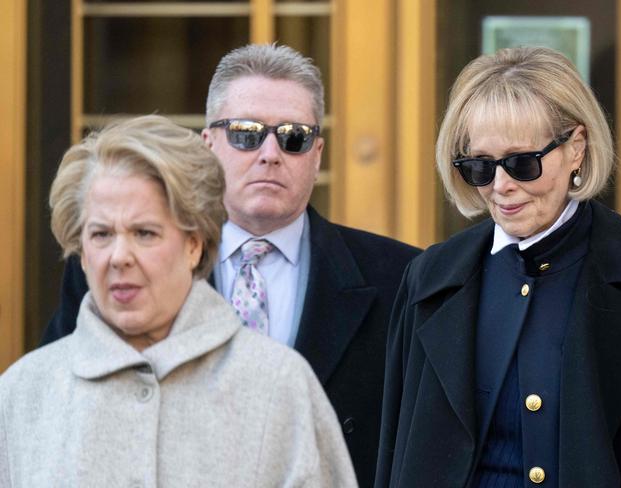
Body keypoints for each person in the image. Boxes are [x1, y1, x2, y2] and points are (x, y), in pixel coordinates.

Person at [40, 44, 420, 487]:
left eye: (293, 137)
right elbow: (61, 408)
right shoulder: (125, 269)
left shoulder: (400, 278)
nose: (270, 153)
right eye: (246, 133)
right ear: (208, 144)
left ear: (317, 154)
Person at [0, 115, 357, 487]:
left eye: (145, 233)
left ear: (194, 244)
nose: (119, 256)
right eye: (101, 234)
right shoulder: (23, 394)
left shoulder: (278, 385)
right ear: (82, 252)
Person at [374, 47, 621, 488]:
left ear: (576, 148)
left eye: (523, 163)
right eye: (481, 166)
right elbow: (397, 452)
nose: (501, 187)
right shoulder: (430, 278)